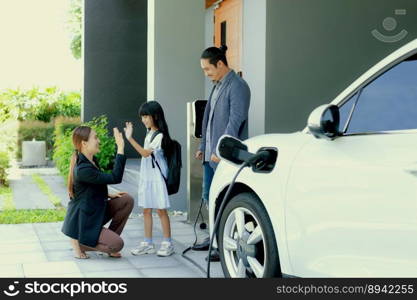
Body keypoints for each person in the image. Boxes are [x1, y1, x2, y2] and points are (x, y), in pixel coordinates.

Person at [195, 45, 251, 261]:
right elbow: (208, 119)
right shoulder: (217, 85)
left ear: (220, 64)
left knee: (224, 198)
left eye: (207, 69)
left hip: (224, 156)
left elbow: (235, 120)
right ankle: (214, 238)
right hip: (210, 155)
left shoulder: (237, 86)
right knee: (209, 196)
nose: (206, 73)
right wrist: (202, 147)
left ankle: (223, 243)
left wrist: (222, 148)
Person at [62, 126, 134, 259]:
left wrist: (108, 194)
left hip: (94, 210)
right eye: (95, 138)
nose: (98, 140)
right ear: (84, 143)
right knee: (117, 244)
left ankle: (100, 240)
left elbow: (89, 187)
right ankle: (82, 243)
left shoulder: (91, 161)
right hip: (85, 219)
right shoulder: (83, 168)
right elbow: (115, 178)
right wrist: (120, 148)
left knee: (126, 200)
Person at [125, 101, 174, 257]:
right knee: (146, 210)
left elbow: (146, 153)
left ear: (155, 116)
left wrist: (130, 139)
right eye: (142, 117)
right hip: (147, 178)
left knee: (161, 210)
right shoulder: (149, 133)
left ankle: (168, 243)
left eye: (146, 116)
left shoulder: (160, 135)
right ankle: (148, 243)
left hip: (157, 178)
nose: (144, 120)